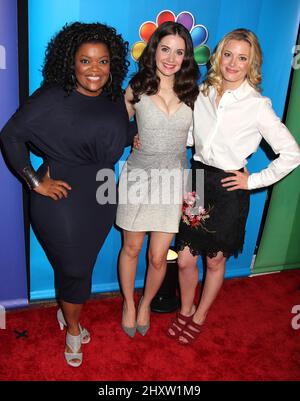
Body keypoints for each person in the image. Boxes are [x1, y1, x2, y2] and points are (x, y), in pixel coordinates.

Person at [0, 22, 135, 366]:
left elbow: (117, 134)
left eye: (102, 61)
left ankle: (67, 309)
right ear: (70, 62)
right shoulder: (51, 96)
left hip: (103, 192)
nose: (95, 69)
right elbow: (10, 136)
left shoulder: (113, 97)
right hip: (61, 195)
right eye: (86, 61)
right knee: (74, 268)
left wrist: (134, 136)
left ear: (112, 63)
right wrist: (34, 181)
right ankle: (73, 327)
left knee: (83, 265)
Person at [167, 28, 300, 345]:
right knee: (185, 258)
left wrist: (252, 180)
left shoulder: (257, 104)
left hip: (229, 187)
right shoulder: (204, 92)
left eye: (243, 57)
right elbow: (191, 137)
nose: (233, 63)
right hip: (198, 180)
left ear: (251, 63)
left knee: (214, 260)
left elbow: (291, 153)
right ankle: (186, 309)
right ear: (218, 56)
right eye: (228, 54)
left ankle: (200, 315)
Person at [116, 21, 199, 337]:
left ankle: (146, 302)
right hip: (138, 177)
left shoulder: (193, 92)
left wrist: (198, 192)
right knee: (132, 249)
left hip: (174, 180)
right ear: (155, 50)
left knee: (158, 256)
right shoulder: (136, 87)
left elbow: (206, 141)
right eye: (165, 49)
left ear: (186, 57)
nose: (171, 58)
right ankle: (128, 302)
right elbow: (118, 125)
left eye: (179, 52)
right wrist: (130, 136)